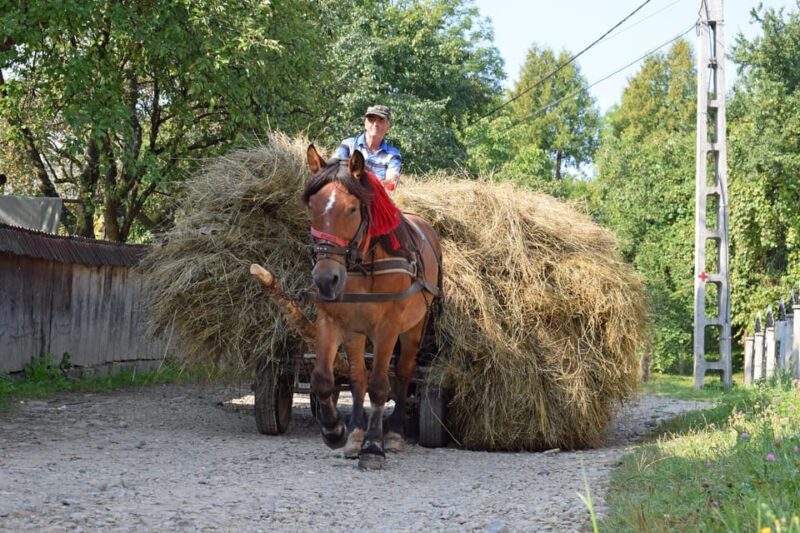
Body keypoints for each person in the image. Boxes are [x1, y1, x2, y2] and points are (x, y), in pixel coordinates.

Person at [335, 105, 402, 191]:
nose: (375, 124)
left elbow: (391, 183)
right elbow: (335, 170)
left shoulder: (393, 155)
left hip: (376, 199)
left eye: (381, 120)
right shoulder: (348, 145)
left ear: (388, 127)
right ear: (365, 123)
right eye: (371, 119)